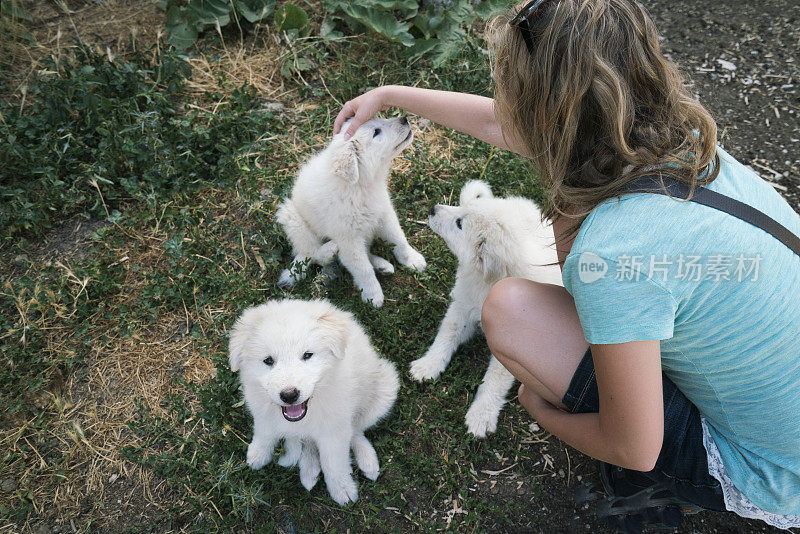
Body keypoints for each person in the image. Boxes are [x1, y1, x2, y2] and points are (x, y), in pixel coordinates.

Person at [332, 0, 800, 531]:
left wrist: (542, 410)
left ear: (548, 113)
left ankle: (669, 489)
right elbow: (501, 122)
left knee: (512, 312)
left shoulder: (614, 248)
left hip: (775, 476)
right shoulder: (680, 143)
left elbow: (636, 445)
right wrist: (391, 96)